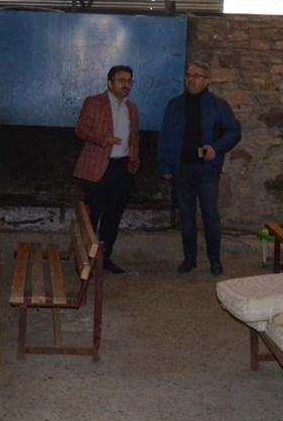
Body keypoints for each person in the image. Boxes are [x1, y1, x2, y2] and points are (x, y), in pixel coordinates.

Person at [158, 61, 241, 275]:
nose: (191, 79)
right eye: (188, 75)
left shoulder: (218, 105)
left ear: (207, 80)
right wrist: (166, 165)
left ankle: (215, 260)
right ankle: (189, 259)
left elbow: (234, 132)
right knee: (186, 216)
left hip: (207, 170)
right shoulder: (174, 105)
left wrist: (216, 147)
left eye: (196, 75)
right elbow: (165, 137)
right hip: (181, 169)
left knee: (210, 215)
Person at [73, 65, 140, 274]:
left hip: (123, 169)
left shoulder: (132, 108)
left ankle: (106, 258)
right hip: (99, 168)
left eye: (129, 81)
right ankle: (86, 260)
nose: (126, 84)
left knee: (114, 216)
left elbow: (135, 137)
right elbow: (80, 129)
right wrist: (103, 140)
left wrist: (135, 159)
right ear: (110, 83)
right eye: (121, 80)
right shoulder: (93, 102)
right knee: (92, 216)